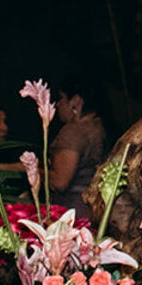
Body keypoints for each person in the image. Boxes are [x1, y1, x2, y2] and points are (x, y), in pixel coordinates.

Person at [48, 72, 108, 202]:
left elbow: (60, 181)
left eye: (61, 98)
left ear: (75, 100)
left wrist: (32, 170)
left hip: (69, 207)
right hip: (93, 205)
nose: (58, 104)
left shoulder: (73, 131)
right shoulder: (98, 127)